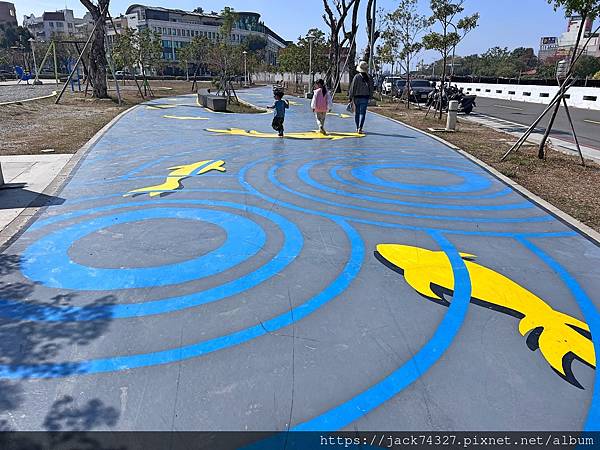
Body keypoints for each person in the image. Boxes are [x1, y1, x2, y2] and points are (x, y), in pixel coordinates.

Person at [348, 61, 374, 135]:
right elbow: (371, 88)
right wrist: (370, 96)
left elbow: (352, 88)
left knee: (357, 113)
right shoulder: (369, 77)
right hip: (365, 97)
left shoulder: (356, 77)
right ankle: (360, 128)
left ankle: (357, 128)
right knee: (363, 113)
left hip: (357, 97)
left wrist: (350, 97)